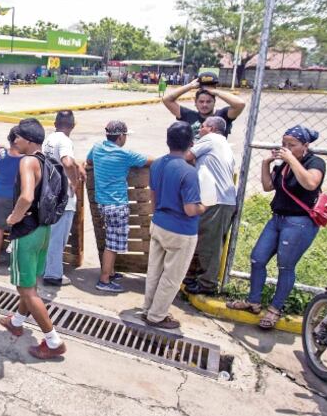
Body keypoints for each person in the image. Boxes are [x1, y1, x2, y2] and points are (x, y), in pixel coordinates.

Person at [227, 126, 325, 330]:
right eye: (284, 144)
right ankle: (253, 302)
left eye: (292, 145)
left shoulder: (314, 162)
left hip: (299, 222)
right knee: (257, 258)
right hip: (277, 219)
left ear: (305, 146)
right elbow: (267, 186)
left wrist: (291, 160)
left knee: (285, 266)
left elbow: (310, 184)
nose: (286, 148)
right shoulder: (284, 165)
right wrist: (266, 164)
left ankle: (275, 309)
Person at [0, 118, 66, 359]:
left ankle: (53, 341)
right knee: (30, 284)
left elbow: (26, 197)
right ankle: (16, 322)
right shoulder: (45, 161)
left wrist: (13, 218)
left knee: (26, 290)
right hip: (42, 230)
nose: (14, 140)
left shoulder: (27, 161)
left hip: (26, 232)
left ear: (27, 140)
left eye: (17, 137)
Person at [142, 122, 206, 329]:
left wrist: (158, 215)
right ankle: (157, 316)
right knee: (171, 277)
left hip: (159, 223)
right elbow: (190, 209)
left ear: (168, 141)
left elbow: (152, 195)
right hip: (181, 231)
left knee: (154, 271)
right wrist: (202, 208)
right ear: (191, 143)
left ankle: (148, 309)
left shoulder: (158, 164)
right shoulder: (189, 172)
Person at [87, 121, 153, 292]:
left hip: (102, 203)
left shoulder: (97, 148)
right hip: (117, 205)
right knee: (113, 244)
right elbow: (150, 160)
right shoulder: (125, 155)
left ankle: (111, 271)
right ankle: (104, 280)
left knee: (110, 239)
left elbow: (89, 161)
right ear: (121, 136)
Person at [181, 116, 236, 295]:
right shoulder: (223, 143)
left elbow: (186, 156)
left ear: (211, 128)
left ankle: (207, 284)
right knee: (206, 240)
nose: (200, 129)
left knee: (209, 244)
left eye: (203, 127)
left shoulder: (210, 139)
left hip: (217, 200)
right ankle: (199, 277)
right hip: (220, 199)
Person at [41, 110, 82, 286]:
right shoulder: (65, 141)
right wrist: (74, 182)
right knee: (59, 238)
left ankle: (45, 268)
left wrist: (76, 165)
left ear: (55, 123)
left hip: (49, 194)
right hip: (62, 198)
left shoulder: (49, 139)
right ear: (72, 125)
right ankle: (53, 275)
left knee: (50, 237)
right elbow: (66, 161)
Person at [161, 78, 245, 139]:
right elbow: (167, 100)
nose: (204, 105)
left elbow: (240, 104)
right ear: (195, 103)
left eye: (208, 101)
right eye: (201, 102)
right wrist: (189, 86)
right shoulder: (188, 115)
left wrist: (215, 91)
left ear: (214, 102)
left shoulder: (222, 116)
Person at [0, 128, 22, 269]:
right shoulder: (25, 159)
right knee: (18, 229)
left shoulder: (1, 155)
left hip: (0, 195)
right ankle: (14, 263)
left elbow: (1, 153)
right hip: (17, 197)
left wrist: (2, 147)